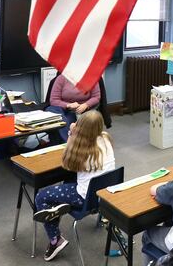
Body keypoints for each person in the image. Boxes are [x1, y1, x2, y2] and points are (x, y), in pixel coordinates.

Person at [33, 111, 115, 262]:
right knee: (70, 181)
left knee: (41, 196)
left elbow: (66, 163)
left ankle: (55, 239)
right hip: (105, 197)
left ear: (80, 128)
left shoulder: (82, 150)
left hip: (84, 198)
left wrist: (71, 134)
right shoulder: (106, 138)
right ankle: (60, 206)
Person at [47, 73, 100, 142]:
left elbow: (96, 97)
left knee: (64, 123)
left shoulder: (91, 77)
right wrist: (68, 105)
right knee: (53, 112)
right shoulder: (61, 78)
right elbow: (53, 100)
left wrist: (86, 105)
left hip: (80, 111)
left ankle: (67, 144)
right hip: (63, 108)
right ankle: (67, 143)